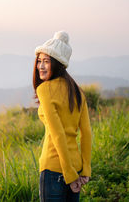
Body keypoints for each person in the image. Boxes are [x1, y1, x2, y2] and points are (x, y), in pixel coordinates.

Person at [33, 31, 92, 202]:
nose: (40, 66)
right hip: (76, 167)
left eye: (46, 62)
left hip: (54, 168)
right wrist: (85, 170)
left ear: (57, 64)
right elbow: (87, 132)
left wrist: (69, 175)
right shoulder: (77, 91)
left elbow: (57, 133)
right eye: (39, 61)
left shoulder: (44, 89)